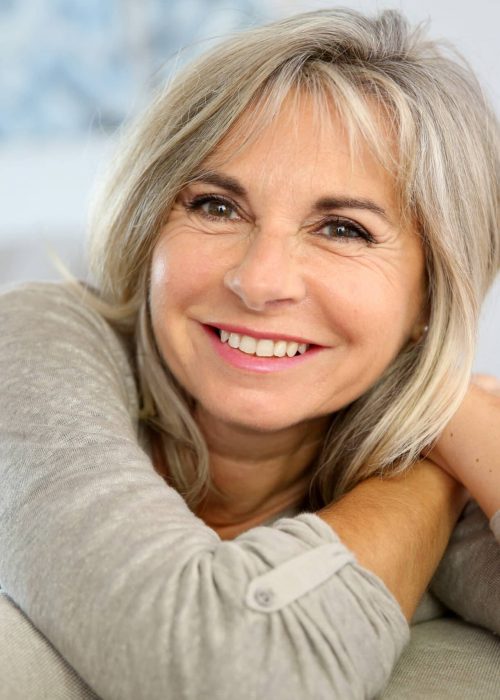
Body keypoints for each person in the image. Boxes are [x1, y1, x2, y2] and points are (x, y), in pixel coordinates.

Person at [0, 7, 499, 699]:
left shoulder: (440, 448)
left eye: (343, 229)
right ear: (151, 230)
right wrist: (428, 482)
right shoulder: (35, 341)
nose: (260, 281)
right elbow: (229, 675)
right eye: (216, 207)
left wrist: (466, 427)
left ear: (428, 296)